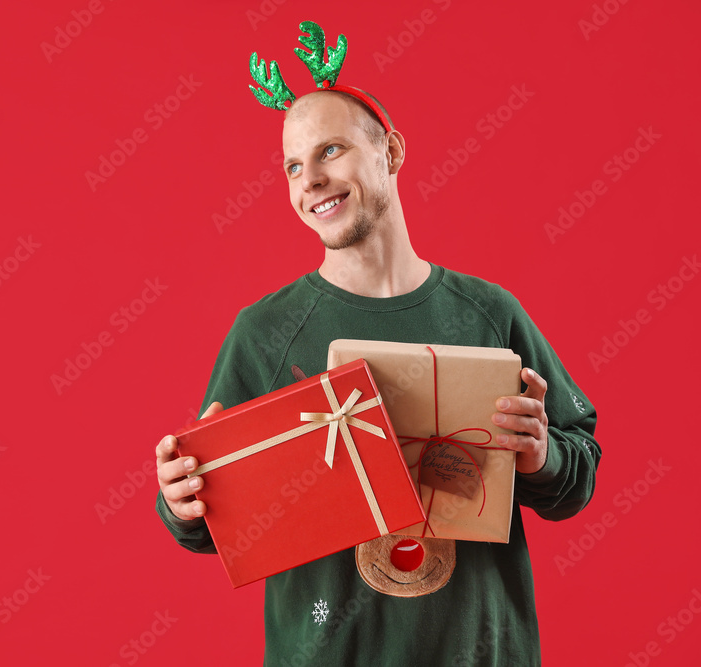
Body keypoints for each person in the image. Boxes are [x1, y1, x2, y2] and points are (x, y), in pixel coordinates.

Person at [155, 26, 600, 667]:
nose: (309, 180)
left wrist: (541, 456)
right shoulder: (263, 334)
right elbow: (211, 526)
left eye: (330, 150)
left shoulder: (489, 313)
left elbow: (577, 468)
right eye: (291, 166)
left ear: (389, 151)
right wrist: (182, 500)